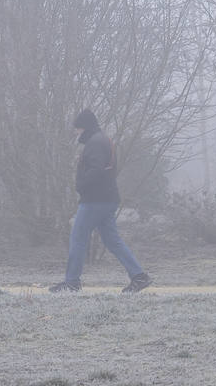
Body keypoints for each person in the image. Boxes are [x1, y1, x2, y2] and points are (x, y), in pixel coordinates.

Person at [49, 108, 152, 293]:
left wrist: (81, 185)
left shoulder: (95, 143)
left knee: (78, 238)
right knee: (112, 240)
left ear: (85, 127)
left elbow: (96, 170)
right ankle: (139, 276)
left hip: (94, 200)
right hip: (107, 199)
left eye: (78, 128)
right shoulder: (102, 140)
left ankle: (71, 283)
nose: (76, 132)